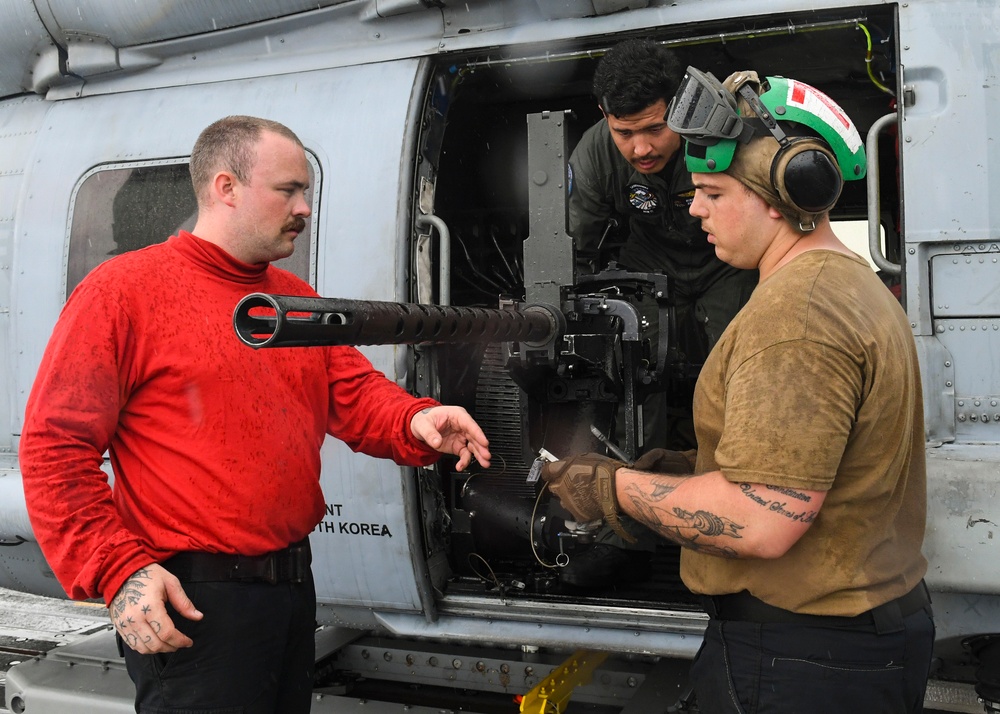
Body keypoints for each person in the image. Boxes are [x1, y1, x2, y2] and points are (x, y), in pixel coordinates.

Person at [18, 115, 492, 714]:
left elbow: (355, 393)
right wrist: (116, 570)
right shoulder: (124, 292)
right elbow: (54, 449)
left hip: (291, 591)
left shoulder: (294, 302)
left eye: (307, 193)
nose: (304, 208)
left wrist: (415, 420)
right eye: (288, 190)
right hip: (192, 600)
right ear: (225, 187)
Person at [541, 68, 934, 712]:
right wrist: (696, 473)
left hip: (798, 658)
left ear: (780, 194)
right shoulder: (849, 284)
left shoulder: (796, 314)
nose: (693, 208)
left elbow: (761, 520)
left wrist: (615, 488)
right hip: (846, 642)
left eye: (712, 192)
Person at [568, 38, 757, 362]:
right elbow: (576, 251)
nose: (641, 149)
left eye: (656, 128)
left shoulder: (721, 131)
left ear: (679, 104)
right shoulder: (594, 155)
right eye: (624, 133)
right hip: (648, 264)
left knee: (738, 359)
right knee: (635, 364)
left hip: (726, 261)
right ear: (604, 114)